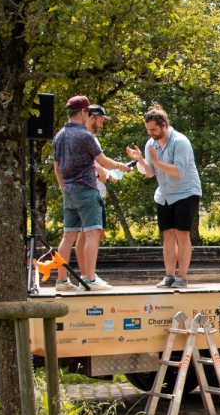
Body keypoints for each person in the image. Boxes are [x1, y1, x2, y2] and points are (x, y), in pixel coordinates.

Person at [49, 96, 128, 291]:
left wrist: (64, 188)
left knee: (68, 236)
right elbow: (104, 162)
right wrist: (121, 166)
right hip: (87, 190)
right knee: (92, 234)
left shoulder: (58, 136)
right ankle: (90, 279)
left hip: (68, 192)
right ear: (84, 112)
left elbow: (57, 168)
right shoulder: (86, 136)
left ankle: (62, 281)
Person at [127, 107, 201, 288]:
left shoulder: (180, 141)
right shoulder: (150, 144)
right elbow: (150, 173)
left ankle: (182, 277)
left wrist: (156, 161)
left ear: (163, 125)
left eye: (153, 129)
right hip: (164, 195)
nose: (151, 133)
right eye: (148, 130)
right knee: (167, 235)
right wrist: (141, 161)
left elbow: (178, 171)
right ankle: (169, 276)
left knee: (181, 234)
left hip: (185, 192)